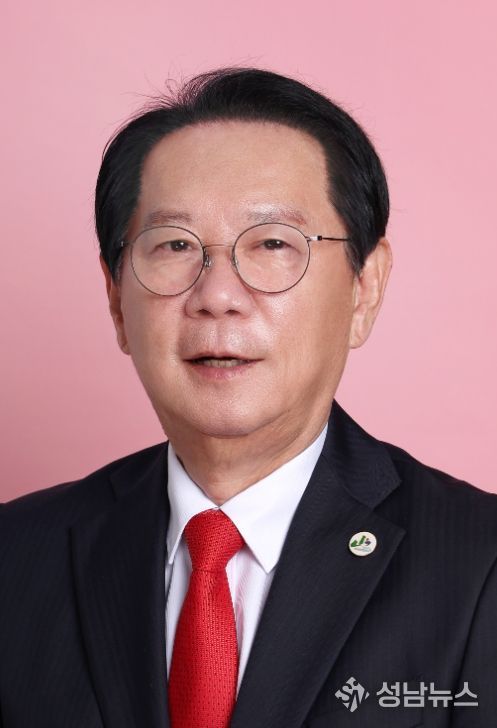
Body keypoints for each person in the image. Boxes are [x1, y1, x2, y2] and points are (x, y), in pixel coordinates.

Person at [0, 68, 495, 728]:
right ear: (116, 299)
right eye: (175, 245)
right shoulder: (15, 557)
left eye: (272, 244)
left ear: (364, 288)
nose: (217, 296)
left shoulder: (479, 564)